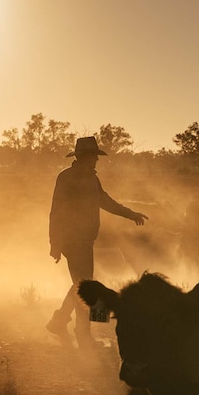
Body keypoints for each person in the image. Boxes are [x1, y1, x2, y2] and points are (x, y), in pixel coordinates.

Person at [47, 136, 148, 349]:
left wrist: (129, 214)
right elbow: (56, 211)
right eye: (94, 157)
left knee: (82, 285)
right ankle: (82, 335)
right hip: (73, 241)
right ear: (84, 157)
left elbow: (105, 201)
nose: (97, 161)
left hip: (85, 240)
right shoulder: (66, 178)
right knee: (87, 286)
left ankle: (60, 322)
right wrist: (55, 243)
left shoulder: (92, 179)